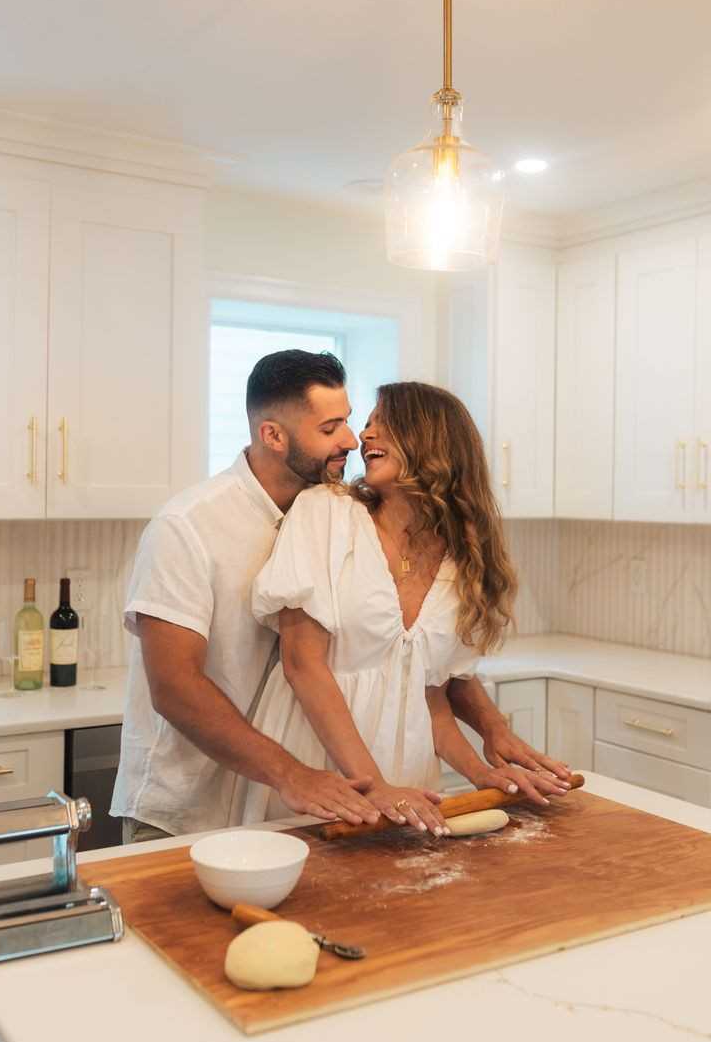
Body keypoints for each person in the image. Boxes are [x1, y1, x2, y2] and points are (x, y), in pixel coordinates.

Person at [225, 381, 572, 834]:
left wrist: (482, 775)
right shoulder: (325, 513)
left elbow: (427, 697)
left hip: (406, 785)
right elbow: (302, 665)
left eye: (382, 424)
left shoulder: (461, 556)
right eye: (366, 424)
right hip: (322, 771)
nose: (365, 436)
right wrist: (374, 786)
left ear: (431, 441)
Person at [111, 351, 382, 840]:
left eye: (348, 421)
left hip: (275, 807)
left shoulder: (328, 516)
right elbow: (173, 686)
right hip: (185, 812)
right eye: (330, 428)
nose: (350, 440)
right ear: (273, 436)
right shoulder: (187, 526)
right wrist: (293, 774)